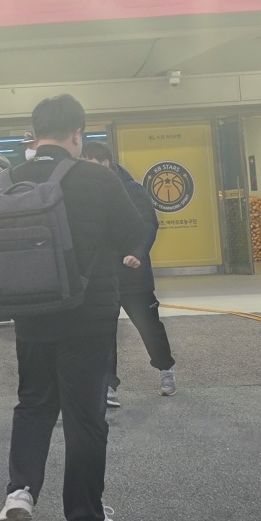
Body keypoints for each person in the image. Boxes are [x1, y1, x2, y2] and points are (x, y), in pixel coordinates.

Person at [0, 95, 148, 521]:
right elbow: (132, 233)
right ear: (77, 134)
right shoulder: (97, 179)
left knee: (33, 403)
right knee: (84, 416)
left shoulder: (8, 181)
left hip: (30, 312)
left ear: (35, 133)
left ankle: (20, 490)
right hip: (87, 314)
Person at [82, 141, 176, 402]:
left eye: (91, 164)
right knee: (104, 333)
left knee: (149, 326)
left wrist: (137, 252)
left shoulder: (131, 190)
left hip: (132, 273)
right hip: (102, 275)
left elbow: (148, 223)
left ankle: (166, 369)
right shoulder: (86, 192)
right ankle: (108, 385)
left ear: (106, 163)